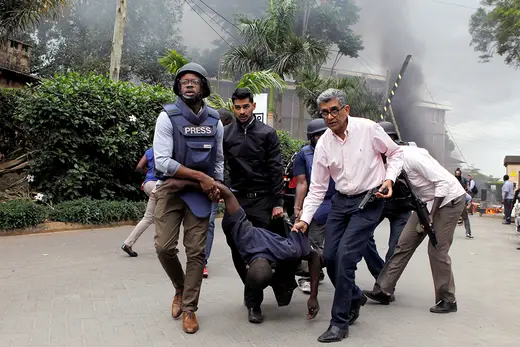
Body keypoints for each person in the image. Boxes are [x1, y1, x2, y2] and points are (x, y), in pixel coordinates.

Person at [292, 88, 403, 343]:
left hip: (369, 201)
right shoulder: (323, 144)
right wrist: (304, 219)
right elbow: (318, 187)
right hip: (341, 203)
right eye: (324, 112)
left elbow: (396, 153)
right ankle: (354, 295)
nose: (330, 116)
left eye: (334, 110)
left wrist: (389, 179)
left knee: (345, 259)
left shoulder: (368, 129)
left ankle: (339, 322)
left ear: (346, 109)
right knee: (329, 258)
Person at [159, 178, 324, 320]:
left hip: (280, 241)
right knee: (261, 274)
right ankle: (253, 301)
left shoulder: (288, 249)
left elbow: (315, 256)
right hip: (269, 248)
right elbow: (227, 194)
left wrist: (314, 297)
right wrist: (187, 183)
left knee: (326, 258)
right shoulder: (248, 237)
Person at [152, 62, 224, 334]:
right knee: (163, 248)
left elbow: (218, 160)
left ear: (204, 86)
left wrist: (215, 184)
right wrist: (201, 177)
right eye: (184, 81)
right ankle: (179, 287)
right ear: (178, 86)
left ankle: (190, 308)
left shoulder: (215, 121)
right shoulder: (167, 116)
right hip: (171, 191)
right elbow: (162, 161)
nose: (189, 84)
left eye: (195, 80)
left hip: (202, 195)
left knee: (197, 253)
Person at [363, 145, 466, 314]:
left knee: (437, 250)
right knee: (403, 244)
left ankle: (448, 299)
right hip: (424, 203)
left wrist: (431, 216)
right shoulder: (388, 162)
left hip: (448, 200)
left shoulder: (411, 158)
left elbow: (444, 183)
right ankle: (383, 290)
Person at [222, 88, 286, 324]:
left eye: (245, 106)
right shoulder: (226, 134)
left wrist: (277, 203)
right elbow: (222, 165)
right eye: (237, 107)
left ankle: (254, 303)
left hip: (262, 201)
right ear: (233, 107)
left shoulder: (267, 133)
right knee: (237, 249)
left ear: (253, 106)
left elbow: (276, 168)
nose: (241, 111)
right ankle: (252, 293)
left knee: (261, 253)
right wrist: (224, 190)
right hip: (236, 201)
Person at [362, 121, 413, 282]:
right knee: (362, 236)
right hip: (379, 204)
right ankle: (381, 274)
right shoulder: (370, 155)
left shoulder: (403, 155)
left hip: (402, 207)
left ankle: (386, 284)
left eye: (388, 138)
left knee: (396, 248)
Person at [293, 119, 334, 294]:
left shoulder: (337, 150)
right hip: (316, 204)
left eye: (323, 133)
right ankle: (310, 276)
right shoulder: (304, 154)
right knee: (314, 244)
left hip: (338, 202)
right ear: (311, 137)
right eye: (317, 135)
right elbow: (302, 183)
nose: (320, 137)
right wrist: (298, 207)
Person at [203, 108, 235, 278]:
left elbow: (224, 164)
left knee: (208, 223)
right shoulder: (203, 135)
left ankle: (202, 262)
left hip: (214, 186)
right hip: (195, 184)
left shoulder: (229, 142)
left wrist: (222, 186)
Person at [121, 148, 159, 257]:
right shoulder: (169, 149)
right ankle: (164, 246)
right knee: (167, 216)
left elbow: (139, 167)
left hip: (148, 184)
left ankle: (128, 243)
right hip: (159, 186)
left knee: (150, 217)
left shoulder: (150, 151)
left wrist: (149, 173)